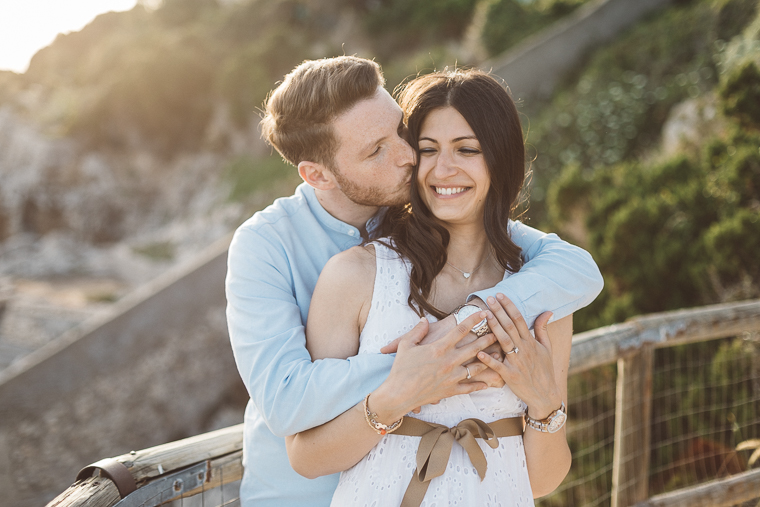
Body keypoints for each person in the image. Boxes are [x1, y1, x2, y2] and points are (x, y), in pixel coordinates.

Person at [225, 56, 603, 507]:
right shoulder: (267, 246)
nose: (410, 156)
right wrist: (430, 359)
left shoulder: (436, 212)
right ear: (317, 174)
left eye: (401, 131)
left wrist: (473, 319)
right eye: (375, 150)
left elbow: (574, 268)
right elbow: (286, 400)